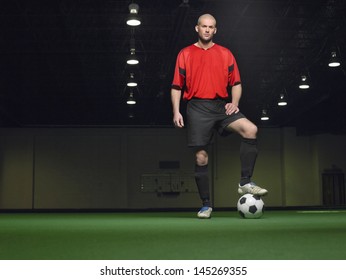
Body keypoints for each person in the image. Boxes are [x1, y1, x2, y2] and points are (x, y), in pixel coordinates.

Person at [171, 14, 268, 219]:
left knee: (251, 129)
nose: (207, 29)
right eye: (204, 26)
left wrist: (234, 103)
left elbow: (237, 83)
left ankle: (245, 182)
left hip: (221, 106)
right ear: (197, 28)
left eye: (211, 27)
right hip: (196, 107)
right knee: (201, 156)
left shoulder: (225, 53)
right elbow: (176, 86)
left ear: (215, 30)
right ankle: (206, 205)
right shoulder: (185, 53)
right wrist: (176, 111)